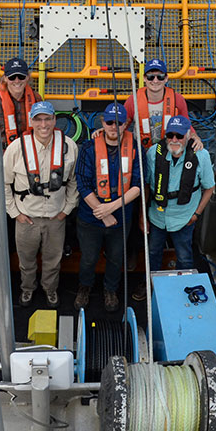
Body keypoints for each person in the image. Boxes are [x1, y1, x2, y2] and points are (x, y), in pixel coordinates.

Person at [3, 101, 79, 307]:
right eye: (38, 120)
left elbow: (74, 182)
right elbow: (3, 183)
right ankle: (27, 289)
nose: (43, 125)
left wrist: (66, 210)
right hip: (26, 219)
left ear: (55, 120)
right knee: (26, 261)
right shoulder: (16, 149)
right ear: (31, 122)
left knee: (53, 262)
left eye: (47, 119)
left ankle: (50, 290)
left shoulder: (69, 147)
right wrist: (15, 213)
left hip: (56, 218)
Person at [73, 102, 143, 313]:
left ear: (125, 125)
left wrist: (111, 208)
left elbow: (138, 186)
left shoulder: (134, 149)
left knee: (115, 258)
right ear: (102, 123)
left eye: (119, 123)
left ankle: (110, 289)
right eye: (110, 122)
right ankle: (84, 287)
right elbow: (82, 184)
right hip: (90, 219)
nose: (114, 127)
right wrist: (102, 213)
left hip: (120, 218)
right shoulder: (88, 148)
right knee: (88, 259)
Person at [138, 115, 214, 298]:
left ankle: (183, 289)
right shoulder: (153, 154)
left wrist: (196, 214)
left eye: (179, 136)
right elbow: (147, 186)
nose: (174, 140)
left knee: (184, 255)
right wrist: (143, 216)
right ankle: (149, 285)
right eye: (170, 135)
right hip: (157, 215)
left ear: (188, 136)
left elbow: (210, 188)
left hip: (184, 217)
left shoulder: (201, 156)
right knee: (153, 252)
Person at [124, 58, 201, 152]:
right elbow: (121, 125)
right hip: (142, 153)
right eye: (150, 76)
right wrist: (105, 131)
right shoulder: (133, 100)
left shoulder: (178, 99)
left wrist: (195, 137)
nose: (155, 81)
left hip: (168, 151)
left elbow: (187, 125)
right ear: (144, 78)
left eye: (160, 76)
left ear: (166, 78)